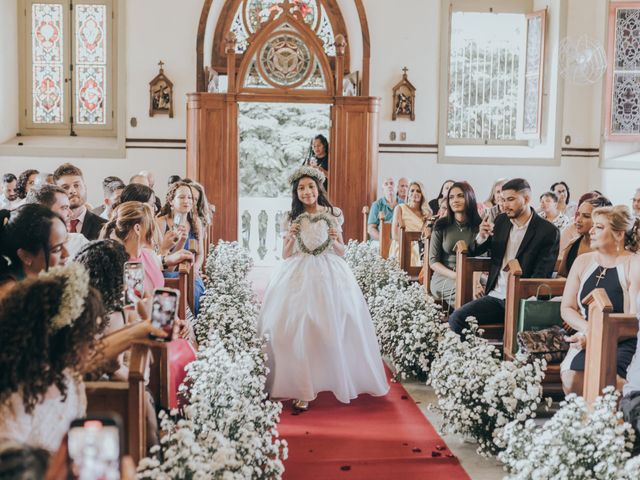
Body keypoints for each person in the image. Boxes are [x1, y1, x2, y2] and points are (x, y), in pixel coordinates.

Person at [258, 166, 388, 411]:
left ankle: (332, 376)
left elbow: (341, 251)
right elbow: (286, 255)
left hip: (329, 273)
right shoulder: (290, 217)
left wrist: (334, 236)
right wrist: (290, 236)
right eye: (301, 188)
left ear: (318, 188)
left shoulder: (333, 214)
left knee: (334, 327)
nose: (306, 192)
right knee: (296, 327)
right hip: (297, 272)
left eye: (310, 187)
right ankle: (301, 386)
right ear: (296, 193)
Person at [0, 264, 168, 452]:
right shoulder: (14, 400)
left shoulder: (69, 380)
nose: (95, 343)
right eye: (88, 336)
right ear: (64, 340)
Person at [448, 178, 560, 335]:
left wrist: (523, 302)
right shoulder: (501, 221)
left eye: (511, 199)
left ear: (526, 199)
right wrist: (481, 236)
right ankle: (474, 357)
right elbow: (473, 251)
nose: (505, 205)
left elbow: (541, 274)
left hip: (522, 300)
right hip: (494, 296)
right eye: (503, 200)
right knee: (456, 319)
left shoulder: (547, 231)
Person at [559, 206, 640, 395]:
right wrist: (589, 330)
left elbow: (634, 318)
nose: (592, 231)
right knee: (573, 379)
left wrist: (598, 335)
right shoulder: (582, 261)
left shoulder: (633, 264)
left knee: (613, 384)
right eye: (593, 226)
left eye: (599, 227)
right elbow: (567, 308)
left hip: (624, 340)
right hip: (586, 335)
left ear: (619, 234)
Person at [429, 181, 482, 307]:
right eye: (451, 197)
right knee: (464, 290)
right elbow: (433, 262)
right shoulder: (441, 225)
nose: (455, 200)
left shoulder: (478, 226)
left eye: (460, 196)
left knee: (489, 291)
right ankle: (465, 323)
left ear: (470, 198)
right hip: (445, 276)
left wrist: (476, 282)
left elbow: (480, 259)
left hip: (473, 276)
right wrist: (458, 276)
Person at [0, 204, 70, 297]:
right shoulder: (9, 294)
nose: (67, 254)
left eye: (66, 241)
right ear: (25, 256)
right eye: (57, 249)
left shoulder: (49, 280)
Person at [156, 182, 205, 315]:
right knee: (188, 282)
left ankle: (198, 323)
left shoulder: (195, 221)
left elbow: (200, 253)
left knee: (195, 282)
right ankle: (190, 321)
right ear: (171, 201)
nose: (187, 201)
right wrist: (181, 241)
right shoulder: (161, 223)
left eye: (189, 198)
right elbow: (163, 258)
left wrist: (196, 268)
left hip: (190, 270)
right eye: (182, 197)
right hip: (167, 272)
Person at [24, 184, 90, 258]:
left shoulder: (78, 242)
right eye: (64, 208)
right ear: (43, 212)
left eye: (69, 207)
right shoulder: (21, 246)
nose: (71, 214)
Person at [557, 195, 612, 277]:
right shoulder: (572, 244)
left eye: (586, 216)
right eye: (578, 214)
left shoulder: (610, 249)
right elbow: (561, 276)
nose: (578, 220)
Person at [53, 163, 106, 240]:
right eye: (65, 187)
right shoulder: (51, 226)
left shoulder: (103, 226)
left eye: (76, 185)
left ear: (85, 187)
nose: (73, 191)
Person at [388, 181, 431, 264]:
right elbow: (395, 235)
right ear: (408, 193)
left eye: (418, 191)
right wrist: (407, 246)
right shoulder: (400, 208)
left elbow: (426, 236)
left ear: (422, 194)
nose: (415, 193)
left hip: (417, 246)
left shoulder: (426, 214)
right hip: (400, 244)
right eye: (412, 190)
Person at [367, 177, 401, 241]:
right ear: (383, 189)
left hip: (398, 240)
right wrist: (384, 240)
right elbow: (371, 229)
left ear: (397, 188)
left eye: (391, 183)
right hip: (380, 241)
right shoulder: (376, 205)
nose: (389, 186)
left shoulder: (403, 204)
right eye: (386, 184)